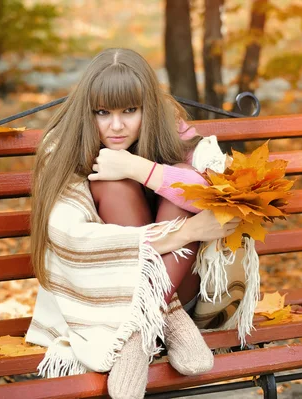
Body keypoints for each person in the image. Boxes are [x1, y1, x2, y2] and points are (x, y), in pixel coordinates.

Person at [25, 48, 240, 399]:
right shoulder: (62, 146)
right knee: (112, 183)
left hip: (184, 286)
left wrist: (140, 169)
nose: (117, 126)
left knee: (183, 180)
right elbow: (70, 237)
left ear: (147, 108)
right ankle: (148, 325)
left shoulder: (170, 129)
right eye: (103, 112)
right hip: (107, 296)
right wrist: (186, 233)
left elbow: (217, 196)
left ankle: (141, 326)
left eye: (129, 110)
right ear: (87, 111)